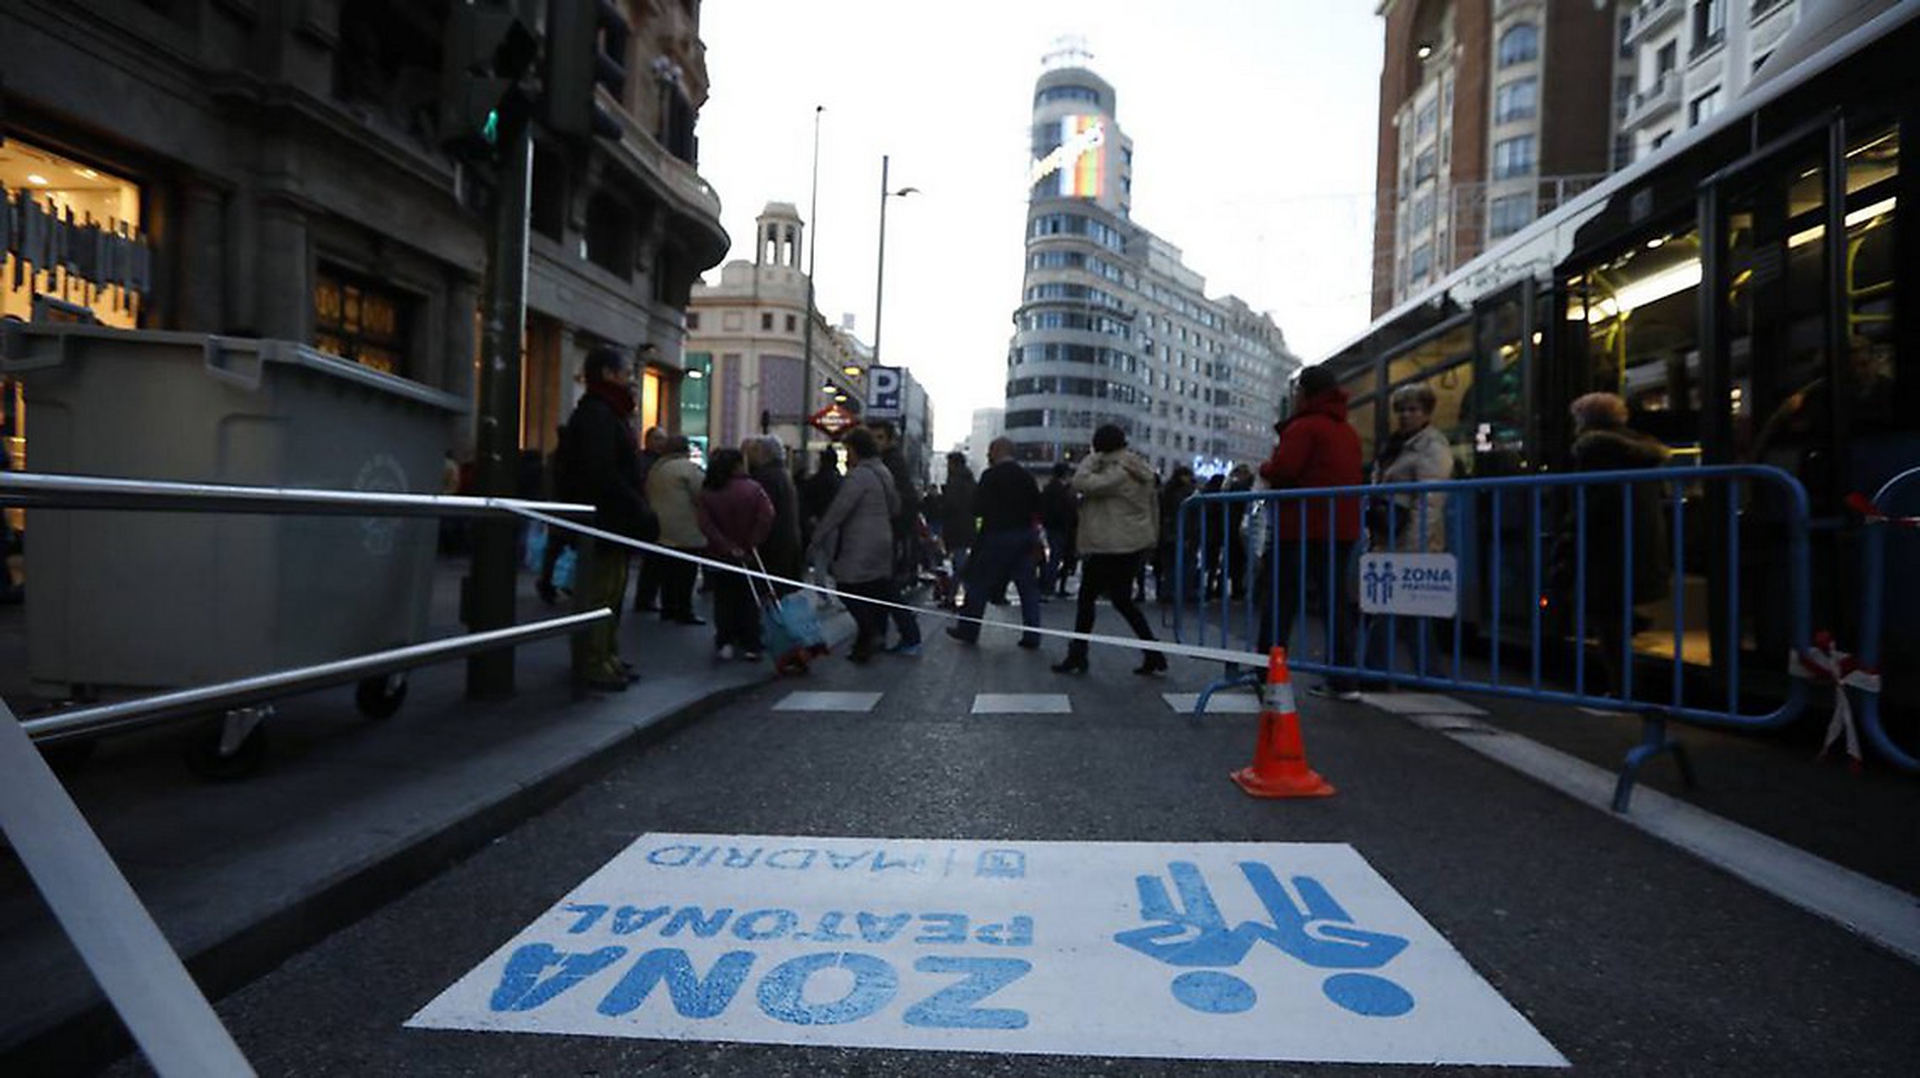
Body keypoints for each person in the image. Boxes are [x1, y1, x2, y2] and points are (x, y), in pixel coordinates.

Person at [1552, 391, 1671, 697]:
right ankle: (1629, 651)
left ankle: (1622, 689)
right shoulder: (1642, 450)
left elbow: (1590, 505)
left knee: (1606, 620)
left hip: (1607, 548)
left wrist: (1566, 540)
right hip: (1639, 543)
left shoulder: (1595, 450)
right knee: (1613, 614)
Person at [1257, 365, 1364, 700]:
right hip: (1341, 528)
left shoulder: (1304, 427)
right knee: (1336, 603)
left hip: (1301, 527)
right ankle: (1343, 678)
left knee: (1280, 601)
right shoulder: (1346, 429)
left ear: (1303, 392)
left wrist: (1265, 468)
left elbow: (1285, 470)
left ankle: (1268, 673)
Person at [560, 347, 656, 693]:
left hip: (612, 519)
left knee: (612, 591)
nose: (631, 377)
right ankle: (594, 660)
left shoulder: (609, 412)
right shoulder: (598, 414)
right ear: (607, 374)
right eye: (625, 371)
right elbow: (601, 471)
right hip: (604, 519)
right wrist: (636, 505)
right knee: (601, 593)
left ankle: (607, 654)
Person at [1361, 382, 1455, 683]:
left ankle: (1375, 673)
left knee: (1388, 609)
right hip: (1390, 538)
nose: (1405, 415)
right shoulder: (1398, 444)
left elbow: (1429, 502)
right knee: (1412, 614)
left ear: (1427, 412)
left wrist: (1414, 548)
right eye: (1401, 409)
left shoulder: (1431, 447)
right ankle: (1430, 674)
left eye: (1413, 409)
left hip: (1409, 542)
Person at [1054, 424, 1164, 676]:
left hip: (1109, 544)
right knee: (1122, 600)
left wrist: (1093, 458)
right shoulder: (1138, 467)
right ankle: (1152, 652)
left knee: (1087, 599)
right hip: (1131, 543)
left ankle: (1078, 654)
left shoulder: (1118, 471)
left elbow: (1082, 483)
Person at [811, 427, 919, 662]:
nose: (846, 456)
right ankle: (899, 635)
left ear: (855, 450)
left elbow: (839, 510)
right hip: (883, 538)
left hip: (860, 541)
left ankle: (870, 633)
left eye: (848, 450)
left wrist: (817, 538)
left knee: (847, 586)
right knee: (881, 588)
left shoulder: (859, 476)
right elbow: (895, 505)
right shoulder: (883, 471)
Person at [945, 438, 1043, 649]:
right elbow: (1037, 506)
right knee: (1027, 587)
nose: (988, 456)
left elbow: (977, 507)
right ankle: (1033, 634)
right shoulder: (1026, 477)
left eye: (990, 451)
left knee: (978, 582)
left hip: (997, 535)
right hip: (1024, 535)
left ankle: (969, 629)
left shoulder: (991, 476)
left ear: (997, 451)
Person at [697, 447, 775, 661]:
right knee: (748, 599)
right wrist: (752, 542)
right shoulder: (753, 488)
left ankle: (725, 640)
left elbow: (705, 524)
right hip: (748, 552)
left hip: (719, 554)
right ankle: (751, 642)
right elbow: (767, 516)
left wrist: (726, 545)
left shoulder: (709, 490)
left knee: (723, 599)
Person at [864, 420, 926, 652]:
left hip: (889, 532)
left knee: (883, 586)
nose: (874, 442)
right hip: (889, 531)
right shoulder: (888, 462)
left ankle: (907, 634)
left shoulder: (889, 464)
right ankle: (881, 633)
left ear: (890, 440)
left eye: (879, 437)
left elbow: (897, 501)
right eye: (871, 437)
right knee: (881, 585)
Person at [645, 434, 707, 626]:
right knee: (685, 573)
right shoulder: (688, 468)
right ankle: (684, 610)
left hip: (660, 526)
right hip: (685, 527)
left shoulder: (657, 468)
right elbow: (701, 493)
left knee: (667, 573)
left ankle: (668, 608)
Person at [744, 436, 803, 593]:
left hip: (772, 547)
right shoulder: (782, 474)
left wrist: (752, 540)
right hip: (785, 545)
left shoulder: (765, 477)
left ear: (764, 453)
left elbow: (763, 514)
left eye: (754, 451)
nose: (750, 455)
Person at [630, 426, 669, 612]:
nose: (662, 443)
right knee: (652, 559)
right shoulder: (643, 461)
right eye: (658, 439)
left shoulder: (660, 461)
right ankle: (645, 599)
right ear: (648, 440)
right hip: (646, 513)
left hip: (654, 513)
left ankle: (647, 598)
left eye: (663, 439)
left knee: (654, 560)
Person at [939, 452, 979, 608]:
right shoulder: (970, 479)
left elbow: (951, 504)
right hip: (967, 527)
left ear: (953, 463)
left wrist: (944, 501)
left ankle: (968, 598)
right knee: (960, 564)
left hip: (956, 528)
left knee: (960, 565)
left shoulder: (955, 480)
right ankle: (953, 596)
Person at [1155, 466, 1197, 602]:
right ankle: (1184, 593)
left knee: (1169, 565)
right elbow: (1187, 517)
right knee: (1186, 564)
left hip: (1167, 533)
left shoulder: (1165, 491)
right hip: (1182, 533)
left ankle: (1167, 592)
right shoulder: (1187, 494)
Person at [1040, 461, 1078, 596]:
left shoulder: (1050, 488)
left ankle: (1051, 585)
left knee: (1058, 557)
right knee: (1060, 557)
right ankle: (1052, 585)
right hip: (1062, 527)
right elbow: (1065, 509)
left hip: (1056, 527)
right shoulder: (1061, 490)